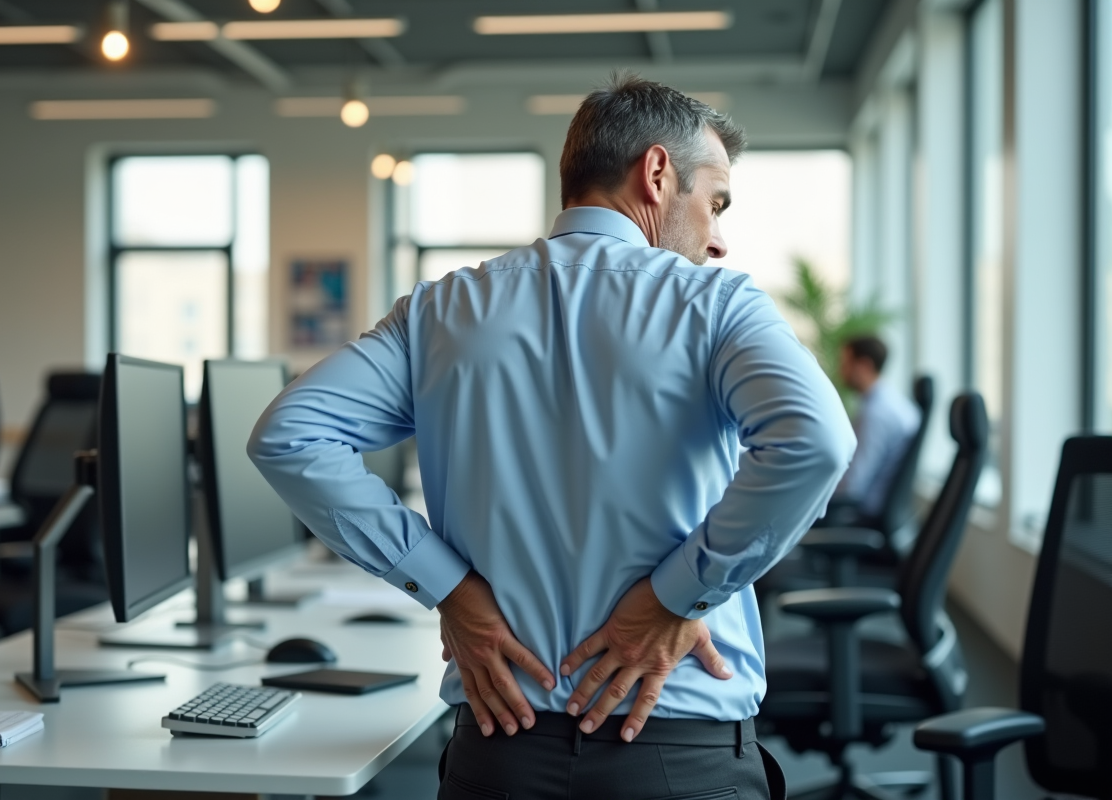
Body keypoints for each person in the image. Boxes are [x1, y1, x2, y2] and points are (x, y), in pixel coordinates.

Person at [249, 74, 854, 800]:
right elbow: (814, 442)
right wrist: (674, 597)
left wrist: (447, 587)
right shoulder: (714, 305)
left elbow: (290, 434)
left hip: (499, 752)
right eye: (715, 202)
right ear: (657, 173)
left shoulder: (444, 310)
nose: (719, 239)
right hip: (673, 750)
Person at [829, 335, 921, 525]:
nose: (840, 372)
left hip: (862, 516)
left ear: (864, 365)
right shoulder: (893, 403)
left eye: (845, 364)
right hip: (881, 513)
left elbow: (851, 487)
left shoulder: (876, 414)